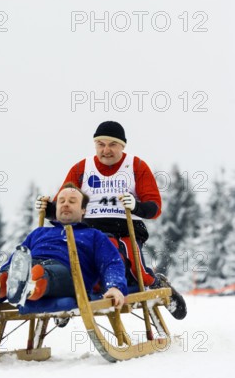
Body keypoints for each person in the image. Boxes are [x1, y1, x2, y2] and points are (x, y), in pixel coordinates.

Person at [35, 121, 187, 320]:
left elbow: (155, 207)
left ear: (122, 146)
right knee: (71, 258)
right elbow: (65, 204)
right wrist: (48, 209)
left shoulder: (136, 166)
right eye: (100, 144)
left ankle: (153, 282)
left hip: (124, 228)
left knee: (131, 263)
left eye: (112, 145)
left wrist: (137, 206)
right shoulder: (82, 168)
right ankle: (68, 295)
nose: (106, 150)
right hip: (88, 230)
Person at [0, 184, 127, 312]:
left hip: (69, 272)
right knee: (20, 265)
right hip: (31, 264)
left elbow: (111, 263)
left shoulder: (94, 235)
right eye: (62, 201)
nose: (65, 204)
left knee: (44, 273)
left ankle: (30, 285)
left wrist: (115, 287)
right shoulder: (40, 232)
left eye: (72, 201)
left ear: (83, 210)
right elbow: (17, 260)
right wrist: (7, 270)